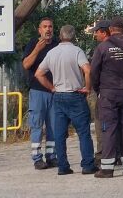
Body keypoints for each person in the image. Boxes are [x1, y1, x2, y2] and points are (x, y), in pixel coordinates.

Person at [35, 25, 96, 176]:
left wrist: (52, 88)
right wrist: (87, 87)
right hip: (75, 95)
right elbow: (88, 70)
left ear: (60, 36)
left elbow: (39, 74)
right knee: (83, 132)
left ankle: (63, 166)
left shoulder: (52, 53)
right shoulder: (77, 51)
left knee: (60, 134)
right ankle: (88, 165)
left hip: (58, 96)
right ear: (73, 36)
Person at [89, 16, 123, 178]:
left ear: (110, 29)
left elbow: (94, 72)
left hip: (108, 93)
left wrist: (98, 88)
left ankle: (107, 168)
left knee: (109, 129)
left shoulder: (103, 47)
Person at [21, 18, 58, 169]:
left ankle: (52, 156)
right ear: (39, 30)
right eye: (45, 27)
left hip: (55, 91)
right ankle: (37, 158)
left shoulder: (57, 44)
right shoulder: (32, 43)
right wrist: (37, 49)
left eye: (50, 26)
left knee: (54, 125)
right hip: (38, 91)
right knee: (36, 125)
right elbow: (26, 65)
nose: (48, 29)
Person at [89, 20, 111, 165]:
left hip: (103, 92)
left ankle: (102, 153)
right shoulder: (121, 46)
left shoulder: (101, 49)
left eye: (97, 31)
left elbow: (94, 72)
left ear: (104, 32)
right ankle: (117, 153)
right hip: (121, 91)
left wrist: (95, 89)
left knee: (100, 123)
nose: (95, 34)